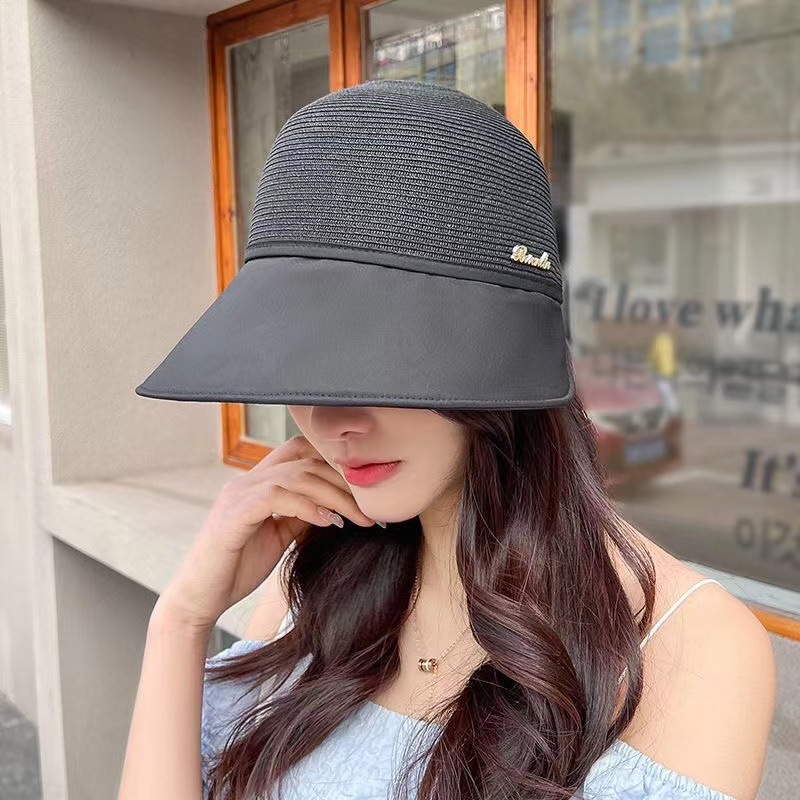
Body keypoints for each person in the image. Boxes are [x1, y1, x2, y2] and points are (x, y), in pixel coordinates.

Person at [118, 81, 775, 800]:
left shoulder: (691, 644)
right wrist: (181, 619)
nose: (333, 421)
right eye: (300, 363)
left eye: (380, 362)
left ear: (495, 356)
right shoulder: (315, 579)